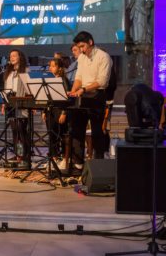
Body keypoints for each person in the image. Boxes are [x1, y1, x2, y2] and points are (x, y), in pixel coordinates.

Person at [68, 31, 112, 168]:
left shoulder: (103, 57)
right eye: (79, 47)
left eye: (82, 46)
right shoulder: (82, 58)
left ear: (90, 42)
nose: (81, 50)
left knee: (97, 130)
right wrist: (74, 91)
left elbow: (102, 81)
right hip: (82, 95)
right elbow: (79, 77)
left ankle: (98, 164)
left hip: (97, 95)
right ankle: (78, 164)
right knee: (77, 129)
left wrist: (84, 89)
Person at [2, 49, 30, 168]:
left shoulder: (26, 71)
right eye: (10, 56)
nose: (11, 57)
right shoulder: (8, 72)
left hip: (22, 103)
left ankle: (25, 157)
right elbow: (6, 88)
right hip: (10, 103)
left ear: (20, 57)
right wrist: (4, 104)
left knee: (21, 131)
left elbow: (29, 88)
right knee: (15, 131)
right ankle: (18, 155)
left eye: (14, 55)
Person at [41, 58, 70, 169]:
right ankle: (53, 158)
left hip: (60, 110)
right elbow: (46, 96)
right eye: (50, 66)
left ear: (60, 68)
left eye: (53, 66)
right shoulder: (49, 80)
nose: (50, 68)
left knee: (61, 135)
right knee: (52, 135)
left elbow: (67, 99)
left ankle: (63, 158)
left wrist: (64, 113)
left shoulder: (63, 80)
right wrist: (44, 110)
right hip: (51, 111)